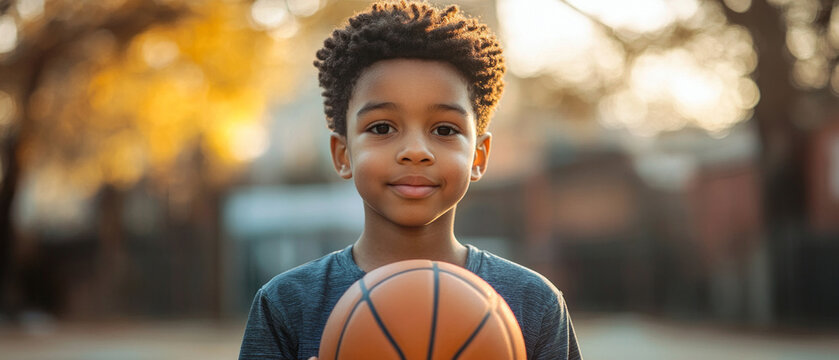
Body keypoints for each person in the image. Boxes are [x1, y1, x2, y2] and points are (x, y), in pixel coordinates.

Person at [239, 1, 582, 359]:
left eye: (445, 129)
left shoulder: (533, 302)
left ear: (478, 157)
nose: (416, 151)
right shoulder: (287, 303)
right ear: (343, 154)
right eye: (382, 127)